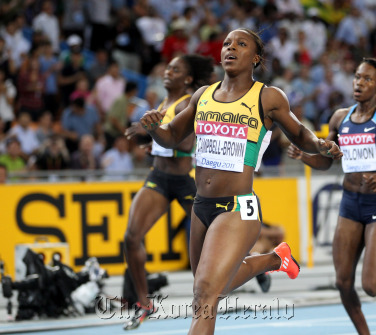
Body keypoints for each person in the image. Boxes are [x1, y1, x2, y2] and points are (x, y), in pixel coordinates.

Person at [139, 28, 342, 334]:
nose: (230, 48)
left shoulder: (268, 96)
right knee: (206, 292)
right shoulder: (202, 95)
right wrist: (155, 128)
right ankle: (273, 260)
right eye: (226, 44)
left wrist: (320, 144)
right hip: (201, 205)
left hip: (237, 208)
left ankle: (272, 260)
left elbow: (300, 133)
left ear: (256, 58)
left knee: (206, 295)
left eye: (241, 44)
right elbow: (171, 138)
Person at [287, 58, 376, 335]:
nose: (359, 83)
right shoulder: (339, 118)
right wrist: (304, 155)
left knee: (372, 287)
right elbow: (328, 162)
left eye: (367, 79)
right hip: (350, 202)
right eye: (357, 77)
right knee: (342, 281)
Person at [122, 54, 214, 330]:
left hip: (184, 180)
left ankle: (253, 267)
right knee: (131, 236)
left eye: (175, 69)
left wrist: (155, 133)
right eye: (167, 67)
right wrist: (156, 142)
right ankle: (143, 303)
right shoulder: (164, 103)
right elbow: (167, 138)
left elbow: (186, 143)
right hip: (159, 178)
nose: (167, 71)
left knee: (215, 236)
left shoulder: (187, 102)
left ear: (187, 78)